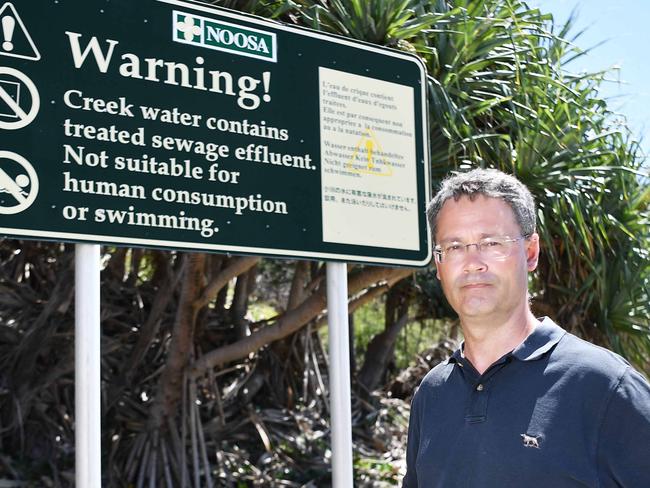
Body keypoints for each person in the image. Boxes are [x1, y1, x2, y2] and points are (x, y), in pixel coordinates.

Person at [403, 168, 650, 487]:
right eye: (454, 247)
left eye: (491, 242)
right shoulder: (432, 394)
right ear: (439, 265)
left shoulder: (604, 386)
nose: (472, 262)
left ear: (530, 252)